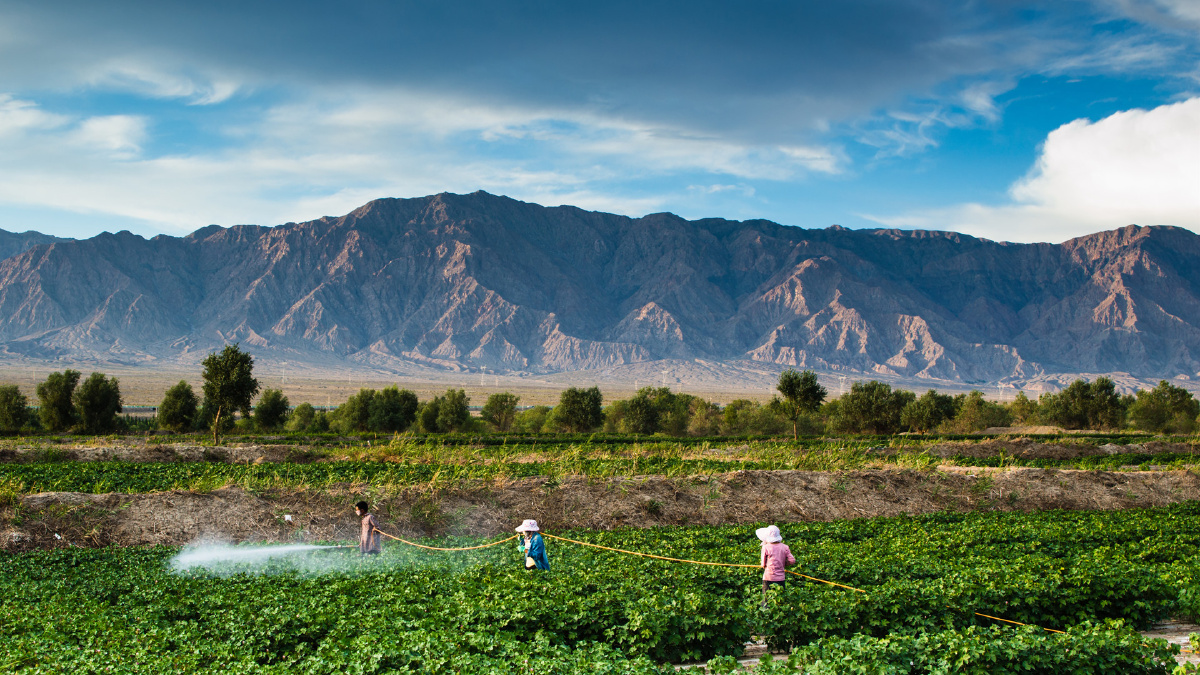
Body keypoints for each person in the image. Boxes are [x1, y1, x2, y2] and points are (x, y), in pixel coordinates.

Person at [757, 525, 794, 606]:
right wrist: (784, 564)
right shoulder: (785, 547)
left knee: (766, 600)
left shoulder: (765, 547)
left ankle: (765, 614)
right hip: (780, 578)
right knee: (780, 600)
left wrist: (766, 566)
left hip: (768, 577)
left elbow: (763, 564)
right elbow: (792, 560)